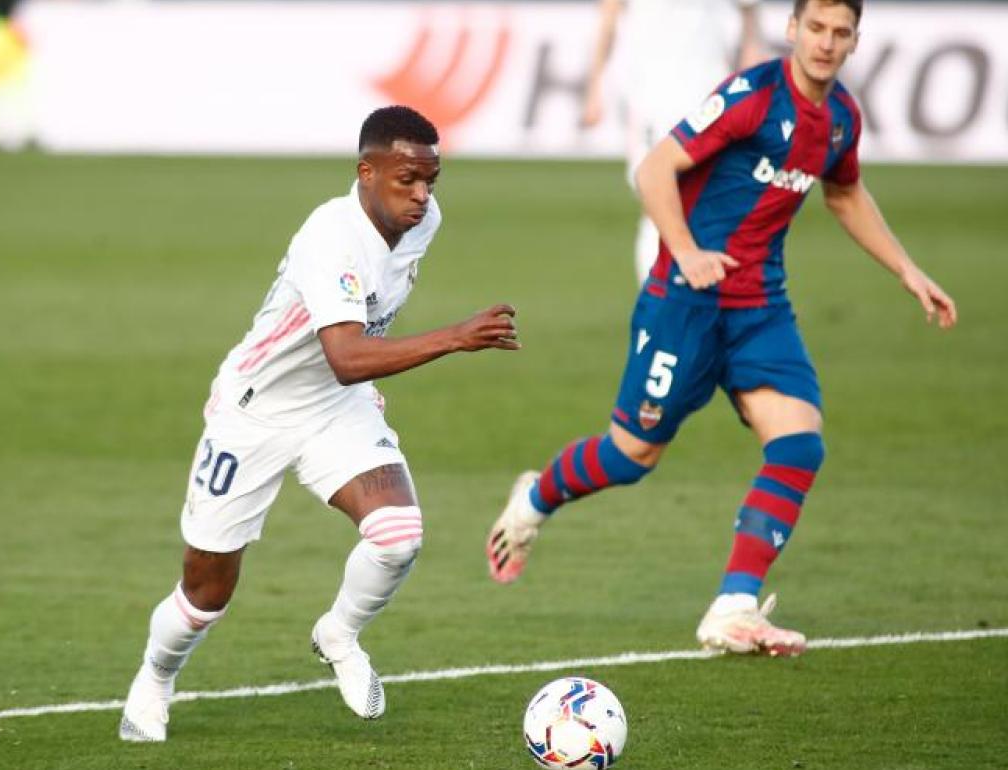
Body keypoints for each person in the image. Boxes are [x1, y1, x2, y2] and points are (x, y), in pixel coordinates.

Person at [488, 0, 957, 657]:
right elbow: (656, 170)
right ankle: (535, 497)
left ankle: (733, 607)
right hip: (686, 301)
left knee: (799, 442)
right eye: (815, 28)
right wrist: (683, 250)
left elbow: (845, 193)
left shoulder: (842, 118)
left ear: (854, 40)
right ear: (792, 29)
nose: (825, 43)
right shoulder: (750, 95)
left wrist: (907, 269)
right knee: (630, 455)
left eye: (840, 32)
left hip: (760, 304)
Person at [120, 106, 520, 742]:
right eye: (407, 180)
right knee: (206, 593)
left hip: (338, 405)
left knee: (397, 534)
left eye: (431, 182)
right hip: (256, 410)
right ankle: (154, 679)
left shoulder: (423, 222)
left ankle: (339, 632)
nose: (422, 196)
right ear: (366, 172)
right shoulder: (329, 237)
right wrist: (455, 337)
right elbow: (346, 356)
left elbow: (356, 354)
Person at [583, 0, 766, 285]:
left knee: (710, 201)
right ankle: (656, 300)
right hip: (649, 97)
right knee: (655, 200)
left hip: (711, 97)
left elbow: (750, 20)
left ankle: (705, 294)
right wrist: (595, 87)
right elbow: (609, 14)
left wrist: (754, 84)